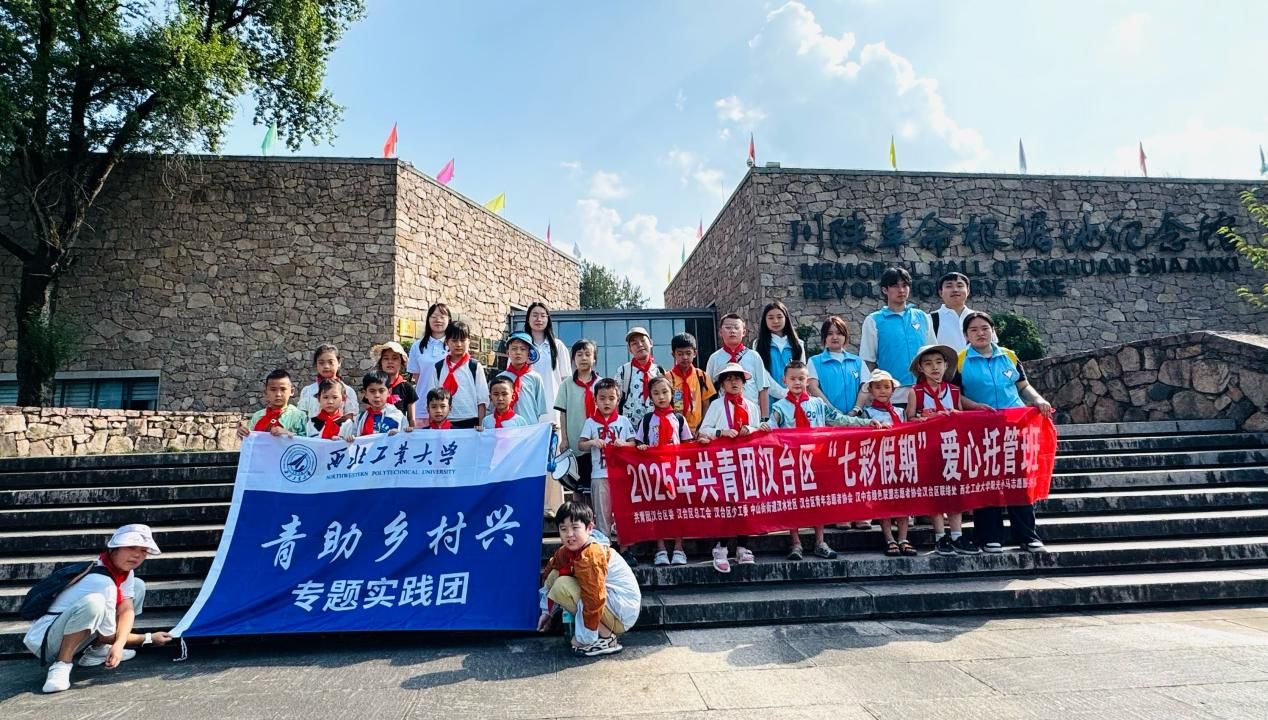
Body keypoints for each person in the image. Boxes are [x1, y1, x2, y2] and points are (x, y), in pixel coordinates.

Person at [25, 524, 173, 693]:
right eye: (131, 547)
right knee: (94, 603)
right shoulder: (103, 582)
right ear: (114, 548)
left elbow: (126, 610)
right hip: (46, 642)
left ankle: (97, 651)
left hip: (71, 630)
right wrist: (148, 638)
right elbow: (107, 635)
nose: (137, 555)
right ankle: (61, 665)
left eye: (144, 550)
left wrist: (119, 644)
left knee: (137, 586)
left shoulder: (121, 570)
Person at [955, 311, 1054, 554]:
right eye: (973, 330)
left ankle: (1027, 535)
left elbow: (1023, 385)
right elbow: (955, 395)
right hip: (981, 429)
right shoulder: (960, 360)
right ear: (966, 335)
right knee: (986, 481)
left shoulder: (1009, 355)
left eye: (985, 328)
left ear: (993, 331)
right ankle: (990, 536)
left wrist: (1038, 400)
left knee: (1019, 480)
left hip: (1014, 426)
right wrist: (975, 406)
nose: (980, 333)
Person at [770, 361, 880, 561]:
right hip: (791, 462)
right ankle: (796, 543)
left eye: (801, 378)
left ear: (807, 380)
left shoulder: (818, 405)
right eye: (793, 379)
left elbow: (840, 419)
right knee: (792, 502)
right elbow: (770, 427)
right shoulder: (779, 407)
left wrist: (865, 422)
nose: (797, 382)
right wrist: (757, 429)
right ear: (784, 380)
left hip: (816, 460)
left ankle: (820, 542)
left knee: (818, 501)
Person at [905, 344, 988, 556]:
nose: (934, 367)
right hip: (929, 450)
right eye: (928, 364)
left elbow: (961, 416)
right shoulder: (916, 392)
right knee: (935, 492)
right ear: (921, 368)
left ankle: (957, 535)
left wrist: (962, 412)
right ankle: (940, 536)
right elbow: (909, 418)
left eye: (938, 363)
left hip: (952, 448)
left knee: (955, 492)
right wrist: (925, 419)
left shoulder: (953, 391)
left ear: (946, 365)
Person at [537, 501, 641, 657]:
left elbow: (594, 598)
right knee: (555, 575)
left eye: (575, 528)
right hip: (610, 606)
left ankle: (606, 638)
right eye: (563, 529)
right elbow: (550, 573)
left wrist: (584, 638)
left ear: (589, 528)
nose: (569, 534)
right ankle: (597, 633)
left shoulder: (591, 554)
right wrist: (547, 612)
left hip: (620, 615)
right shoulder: (566, 551)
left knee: (563, 585)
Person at [697, 362, 768, 572]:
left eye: (737, 378)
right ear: (722, 384)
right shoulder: (717, 406)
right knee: (725, 504)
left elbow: (757, 429)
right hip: (724, 462)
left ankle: (743, 546)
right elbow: (704, 430)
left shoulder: (752, 406)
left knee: (745, 504)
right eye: (729, 379)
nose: (734, 382)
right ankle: (720, 547)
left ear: (744, 382)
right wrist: (721, 432)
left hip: (746, 462)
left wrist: (751, 429)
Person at [634, 376, 694, 566]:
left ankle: (678, 548)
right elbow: (638, 442)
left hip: (675, 472)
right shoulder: (647, 420)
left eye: (665, 392)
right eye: (656, 393)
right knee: (657, 510)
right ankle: (660, 549)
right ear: (650, 397)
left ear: (672, 394)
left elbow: (687, 444)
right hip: (654, 473)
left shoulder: (678, 419)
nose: (661, 397)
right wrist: (641, 447)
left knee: (678, 511)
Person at [858, 267, 936, 406]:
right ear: (885, 290)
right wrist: (871, 393)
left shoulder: (922, 317)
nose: (901, 290)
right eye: (895, 286)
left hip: (925, 392)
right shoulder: (874, 320)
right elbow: (868, 361)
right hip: (892, 395)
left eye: (905, 285)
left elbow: (933, 353)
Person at [860, 369, 916, 557]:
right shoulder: (867, 414)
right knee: (883, 501)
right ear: (871, 390)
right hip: (879, 462)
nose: (882, 391)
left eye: (886, 387)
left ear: (893, 389)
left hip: (900, 460)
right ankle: (889, 538)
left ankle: (903, 538)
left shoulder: (900, 412)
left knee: (903, 500)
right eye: (877, 387)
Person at [577, 378, 634, 546]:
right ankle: (605, 548)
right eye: (602, 398)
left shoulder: (623, 421)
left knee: (623, 512)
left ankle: (626, 549)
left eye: (611, 398)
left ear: (618, 399)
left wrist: (624, 444)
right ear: (595, 400)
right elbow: (580, 445)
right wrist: (593, 442)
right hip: (599, 475)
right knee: (602, 514)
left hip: (621, 475)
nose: (607, 402)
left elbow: (634, 443)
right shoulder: (590, 422)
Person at [705, 313, 772, 420]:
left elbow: (763, 387)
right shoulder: (714, 358)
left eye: (736, 328)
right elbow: (707, 391)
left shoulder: (753, 356)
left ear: (744, 332)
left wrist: (765, 418)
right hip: (724, 416)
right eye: (728, 328)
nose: (732, 331)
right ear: (720, 332)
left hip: (751, 414)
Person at [555, 339, 601, 492]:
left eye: (588, 354)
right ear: (573, 359)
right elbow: (562, 413)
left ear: (594, 359)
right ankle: (578, 509)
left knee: (595, 485)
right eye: (579, 354)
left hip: (596, 441)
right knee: (577, 487)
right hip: (575, 440)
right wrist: (564, 439)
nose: (583, 358)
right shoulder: (566, 384)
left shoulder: (601, 384)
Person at [432, 321, 489, 429]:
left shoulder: (474, 367)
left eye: (462, 340)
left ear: (469, 341)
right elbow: (432, 398)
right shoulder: (438, 367)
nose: (458, 344)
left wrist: (481, 424)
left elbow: (482, 400)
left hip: (470, 420)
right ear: (446, 342)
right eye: (454, 340)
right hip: (445, 421)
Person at [808, 316, 867, 415]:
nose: (834, 337)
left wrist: (856, 410)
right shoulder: (814, 362)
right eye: (830, 333)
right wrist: (833, 412)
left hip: (856, 419)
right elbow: (813, 387)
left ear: (845, 336)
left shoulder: (858, 362)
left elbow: (865, 387)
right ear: (824, 337)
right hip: (827, 418)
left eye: (839, 333)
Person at [524, 302, 573, 423]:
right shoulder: (521, 346)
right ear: (528, 319)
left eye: (542, 315)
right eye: (535, 315)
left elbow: (566, 379)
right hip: (526, 404)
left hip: (553, 404)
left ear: (548, 319)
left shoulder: (557, 346)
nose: (538, 319)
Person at [614, 326, 665, 431]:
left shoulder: (659, 371)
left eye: (643, 340)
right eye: (634, 343)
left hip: (655, 428)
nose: (640, 345)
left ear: (651, 343)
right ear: (629, 349)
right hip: (630, 429)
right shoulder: (623, 371)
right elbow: (615, 401)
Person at [931, 272, 995, 352]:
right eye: (949, 286)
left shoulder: (980, 318)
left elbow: (992, 347)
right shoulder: (930, 319)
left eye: (960, 286)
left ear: (968, 291)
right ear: (941, 292)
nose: (955, 290)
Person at [756, 300, 806, 403]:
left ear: (786, 318)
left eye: (779, 317)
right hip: (769, 399)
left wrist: (792, 392)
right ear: (765, 320)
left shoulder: (798, 344)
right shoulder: (759, 344)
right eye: (771, 318)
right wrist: (783, 393)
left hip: (794, 399)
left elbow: (802, 372)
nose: (775, 321)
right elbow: (763, 374)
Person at [236, 369, 308, 439]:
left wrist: (288, 434)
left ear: (291, 391)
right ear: (265, 393)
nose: (278, 394)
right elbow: (250, 441)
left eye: (283, 389)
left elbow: (308, 441)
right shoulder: (257, 416)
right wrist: (243, 434)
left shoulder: (299, 417)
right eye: (273, 389)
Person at [667, 332, 716, 434]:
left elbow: (706, 404)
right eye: (680, 354)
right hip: (675, 429)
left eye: (688, 353)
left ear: (695, 353)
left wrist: (702, 427)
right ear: (673, 355)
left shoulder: (702, 376)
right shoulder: (667, 378)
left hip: (697, 429)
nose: (685, 357)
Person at [296, 344, 360, 419]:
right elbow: (302, 419)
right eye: (321, 363)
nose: (326, 366)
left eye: (330, 362)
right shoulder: (308, 391)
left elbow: (349, 420)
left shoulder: (348, 392)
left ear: (339, 363)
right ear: (316, 364)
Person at [340, 371, 408, 440]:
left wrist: (399, 434)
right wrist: (350, 439)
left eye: (381, 391)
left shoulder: (398, 417)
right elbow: (353, 437)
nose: (377, 395)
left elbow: (406, 439)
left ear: (389, 392)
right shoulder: (360, 419)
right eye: (372, 391)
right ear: (365, 394)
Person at [499, 331, 549, 423]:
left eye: (523, 349)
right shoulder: (500, 378)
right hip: (507, 426)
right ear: (507, 352)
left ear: (529, 352)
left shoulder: (535, 377)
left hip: (530, 426)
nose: (518, 352)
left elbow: (539, 407)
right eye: (514, 349)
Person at [406, 302, 452, 392]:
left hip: (449, 398)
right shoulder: (417, 346)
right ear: (428, 320)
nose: (438, 320)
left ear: (449, 320)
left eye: (442, 317)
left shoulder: (454, 346)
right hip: (423, 397)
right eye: (434, 317)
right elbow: (416, 376)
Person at [373, 341, 417, 428]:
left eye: (394, 358)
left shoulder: (407, 387)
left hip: (398, 432)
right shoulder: (373, 386)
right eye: (386, 358)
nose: (390, 362)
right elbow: (368, 413)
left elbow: (411, 419)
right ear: (381, 362)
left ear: (401, 362)